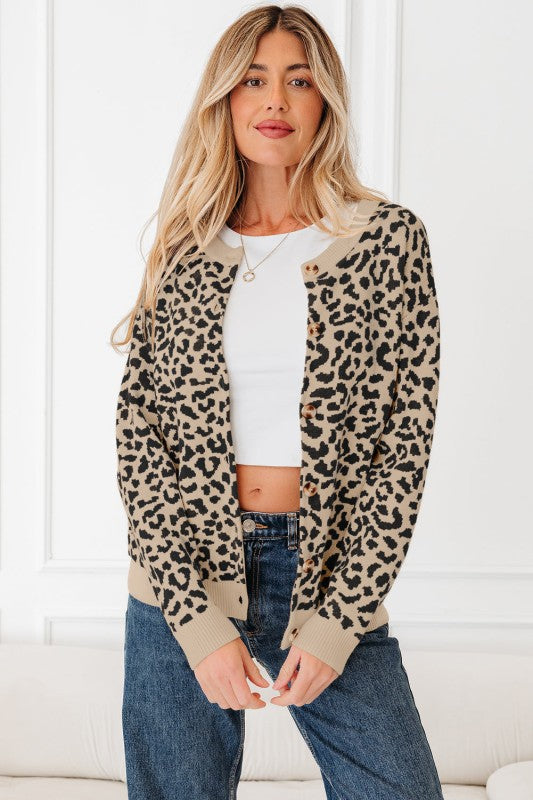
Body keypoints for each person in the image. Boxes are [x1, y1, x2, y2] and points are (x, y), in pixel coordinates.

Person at [112, 5, 443, 799]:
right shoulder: (185, 249)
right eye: (253, 80)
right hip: (183, 574)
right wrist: (193, 620)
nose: (275, 101)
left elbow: (403, 448)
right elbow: (139, 442)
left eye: (298, 81)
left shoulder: (386, 240)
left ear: (324, 100)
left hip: (328, 570)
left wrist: (340, 620)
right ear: (224, 99)